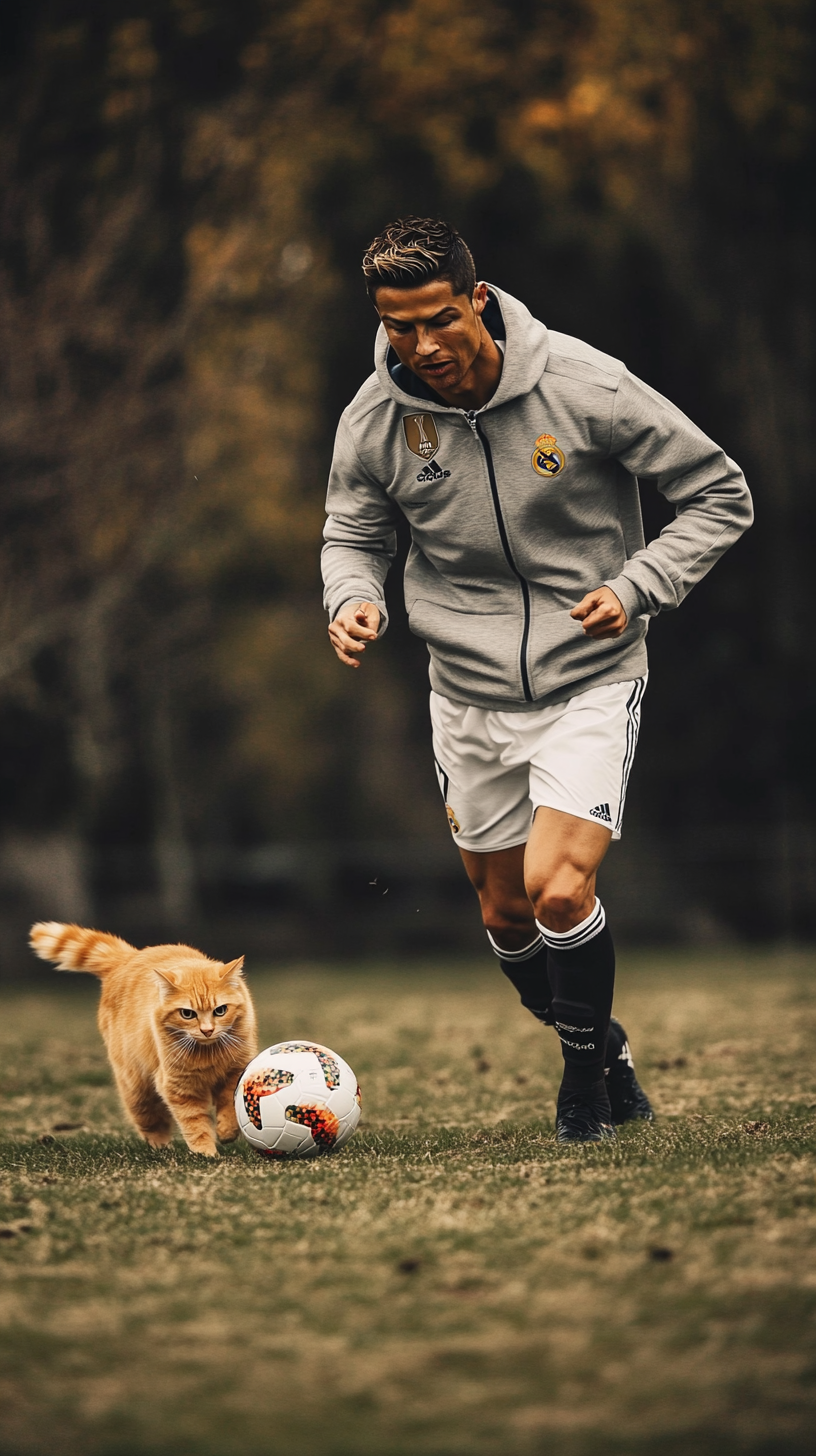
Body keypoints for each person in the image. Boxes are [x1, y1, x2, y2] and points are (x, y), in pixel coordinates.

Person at [321, 217, 752, 1142]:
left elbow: (721, 492)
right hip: (465, 689)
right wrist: (352, 597)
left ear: (478, 300)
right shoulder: (376, 420)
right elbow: (352, 533)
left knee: (560, 891)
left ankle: (584, 1085)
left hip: (588, 678)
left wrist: (638, 587)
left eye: (440, 319)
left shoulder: (582, 384)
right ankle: (610, 1047)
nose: (423, 346)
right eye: (400, 327)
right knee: (507, 912)